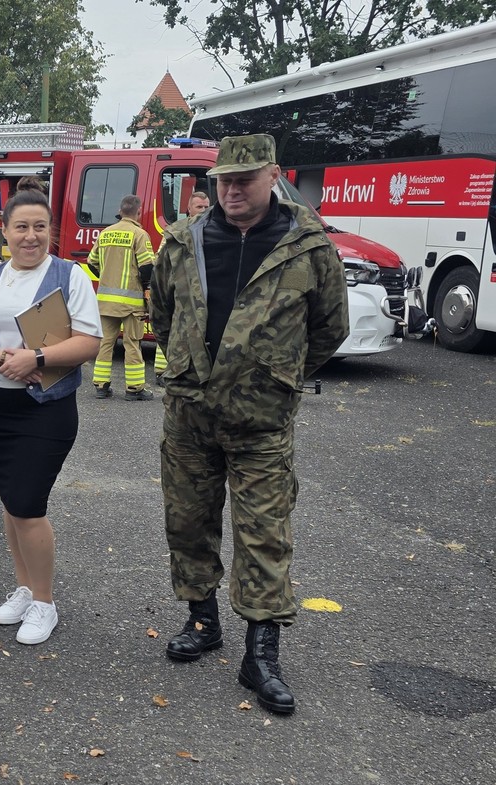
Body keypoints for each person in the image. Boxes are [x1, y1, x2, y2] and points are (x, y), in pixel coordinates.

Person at [150, 134, 349, 714]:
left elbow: (328, 327)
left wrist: (277, 376)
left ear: (273, 177)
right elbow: (161, 312)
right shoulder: (185, 240)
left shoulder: (306, 245)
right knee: (187, 522)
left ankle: (260, 656)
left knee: (265, 534)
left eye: (245, 179)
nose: (232, 190)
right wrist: (192, 363)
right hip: (189, 414)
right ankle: (202, 620)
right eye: (223, 180)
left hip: (262, 424)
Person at [0, 177, 101, 645]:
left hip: (45, 409)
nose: (31, 236)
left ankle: (45, 602)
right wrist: (8, 359)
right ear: (3, 232)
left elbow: (89, 341)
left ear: (51, 231)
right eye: (21, 227)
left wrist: (38, 359)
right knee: (10, 502)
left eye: (40, 227)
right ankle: (24, 589)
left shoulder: (71, 276)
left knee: (28, 505)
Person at [88, 195, 156, 401]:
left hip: (106, 302)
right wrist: (147, 292)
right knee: (132, 344)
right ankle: (134, 389)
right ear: (138, 211)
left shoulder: (105, 233)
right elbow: (147, 268)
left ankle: (101, 386)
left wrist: (108, 277)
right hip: (131, 304)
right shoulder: (139, 234)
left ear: (120, 211)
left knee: (105, 343)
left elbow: (91, 262)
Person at [152, 191, 210, 378]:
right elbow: (160, 265)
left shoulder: (215, 233)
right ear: (189, 209)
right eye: (199, 206)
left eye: (206, 206)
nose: (203, 210)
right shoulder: (176, 234)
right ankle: (163, 369)